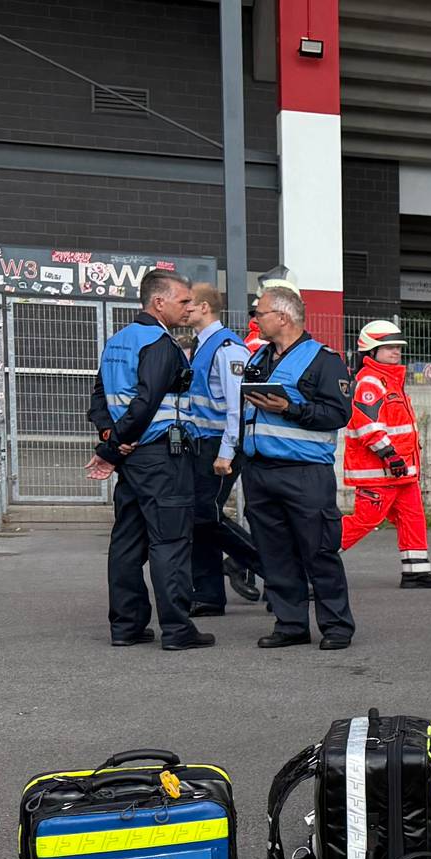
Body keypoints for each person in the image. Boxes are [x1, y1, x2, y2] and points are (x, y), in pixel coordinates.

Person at [90, 269, 207, 648]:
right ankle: (177, 629)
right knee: (170, 542)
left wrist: (112, 440)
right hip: (161, 457)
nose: (189, 308)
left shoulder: (118, 341)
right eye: (183, 301)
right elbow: (147, 402)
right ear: (159, 302)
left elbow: (98, 398)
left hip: (133, 458)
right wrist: (114, 446)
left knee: (127, 543)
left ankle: (126, 626)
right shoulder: (159, 343)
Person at [237, 285, 355, 650]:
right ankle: (290, 624)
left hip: (304, 473)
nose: (255, 319)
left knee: (318, 551)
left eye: (261, 313)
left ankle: (336, 627)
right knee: (274, 553)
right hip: (259, 470)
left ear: (283, 317)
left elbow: (339, 414)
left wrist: (289, 409)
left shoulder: (325, 361)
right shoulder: (259, 359)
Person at [338, 320, 431, 589]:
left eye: (397, 347)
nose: (395, 352)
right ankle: (312, 559)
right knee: (365, 520)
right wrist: (390, 456)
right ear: (371, 352)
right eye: (387, 347)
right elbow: (367, 425)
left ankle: (416, 571)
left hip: (402, 472)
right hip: (381, 471)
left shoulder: (390, 381)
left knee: (413, 517)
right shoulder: (370, 383)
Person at [174, 285, 260, 614]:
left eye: (189, 305)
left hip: (219, 445)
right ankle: (208, 594)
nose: (184, 310)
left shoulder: (228, 348)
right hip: (204, 444)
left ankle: (276, 569)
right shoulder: (205, 345)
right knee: (201, 518)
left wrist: (227, 451)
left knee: (202, 515)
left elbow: (237, 407)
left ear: (206, 307)